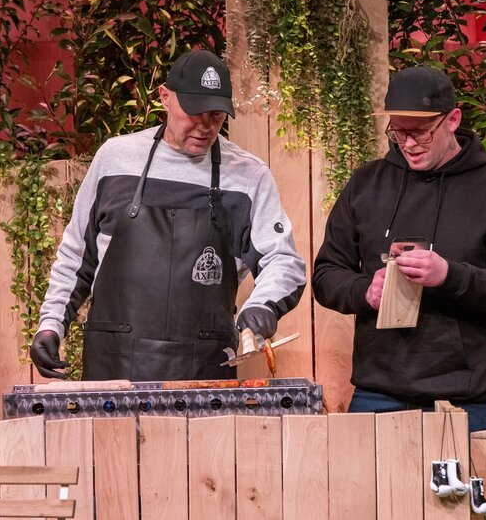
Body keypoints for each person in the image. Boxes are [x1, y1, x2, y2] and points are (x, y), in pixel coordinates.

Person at [31, 49, 306, 382]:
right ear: (165, 97)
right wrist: (51, 324)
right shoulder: (115, 160)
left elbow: (283, 261)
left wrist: (262, 305)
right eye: (195, 113)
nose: (205, 127)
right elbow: (78, 254)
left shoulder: (249, 176)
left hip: (203, 374)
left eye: (216, 116)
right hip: (112, 370)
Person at [311, 65, 486, 433]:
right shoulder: (366, 184)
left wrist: (449, 275)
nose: (409, 144)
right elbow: (326, 274)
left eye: (420, 133)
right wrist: (363, 290)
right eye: (398, 132)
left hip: (462, 400)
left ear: (453, 120)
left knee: (459, 493)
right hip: (375, 393)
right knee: (366, 493)